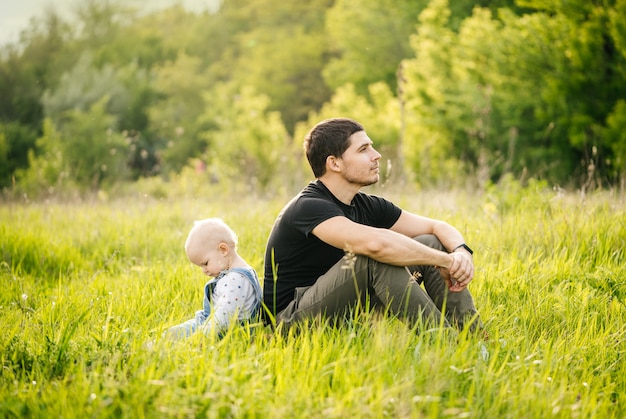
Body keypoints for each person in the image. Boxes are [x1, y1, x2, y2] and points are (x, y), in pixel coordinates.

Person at [262, 117, 481, 332]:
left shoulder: (366, 204)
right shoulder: (308, 206)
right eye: (363, 150)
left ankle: (474, 339)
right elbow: (376, 246)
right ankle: (446, 344)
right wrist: (445, 260)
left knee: (431, 242)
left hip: (342, 309)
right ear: (334, 163)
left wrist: (461, 252)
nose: (376, 156)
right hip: (290, 322)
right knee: (372, 259)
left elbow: (436, 227)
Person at [165, 218, 262, 340]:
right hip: (211, 325)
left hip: (223, 332)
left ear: (223, 250)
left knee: (177, 338)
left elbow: (223, 317)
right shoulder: (235, 274)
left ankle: (155, 346)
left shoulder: (236, 280)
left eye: (205, 263)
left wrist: (200, 337)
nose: (204, 270)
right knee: (172, 333)